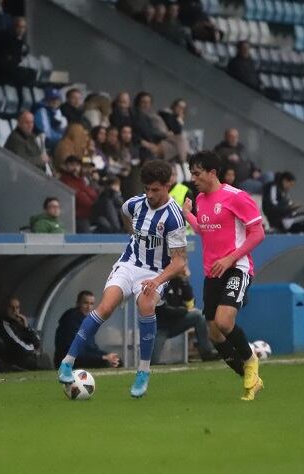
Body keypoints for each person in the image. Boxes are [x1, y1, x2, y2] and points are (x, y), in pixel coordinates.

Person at [57, 160, 188, 398]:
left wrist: (157, 281)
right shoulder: (136, 203)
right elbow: (124, 212)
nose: (149, 194)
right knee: (105, 307)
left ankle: (143, 371)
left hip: (155, 272)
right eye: (146, 188)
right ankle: (67, 362)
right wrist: (132, 233)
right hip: (129, 264)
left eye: (155, 189)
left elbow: (179, 262)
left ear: (167, 185)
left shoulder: (174, 217)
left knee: (146, 305)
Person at [182, 151, 265, 400]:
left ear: (212, 173)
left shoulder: (237, 197)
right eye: (191, 174)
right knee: (215, 333)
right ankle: (251, 380)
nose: (193, 179)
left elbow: (258, 233)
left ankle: (251, 363)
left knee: (224, 322)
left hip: (236, 267)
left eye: (197, 173)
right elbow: (205, 231)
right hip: (212, 272)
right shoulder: (200, 199)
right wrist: (189, 215)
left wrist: (230, 257)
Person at [153, 273, 218, 364]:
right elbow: (163, 310)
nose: (184, 268)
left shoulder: (181, 282)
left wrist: (185, 282)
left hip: (176, 324)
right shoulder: (161, 282)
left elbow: (190, 303)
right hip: (159, 328)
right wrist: (184, 310)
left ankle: (207, 352)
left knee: (199, 316)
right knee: (153, 362)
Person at [54, 291, 121, 369]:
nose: (89, 307)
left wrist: (107, 355)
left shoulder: (88, 321)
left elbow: (92, 348)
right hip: (70, 360)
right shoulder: (71, 320)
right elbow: (75, 350)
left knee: (117, 361)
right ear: (78, 304)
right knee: (105, 362)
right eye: (86, 303)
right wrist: (102, 357)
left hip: (82, 358)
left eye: (91, 304)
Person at [0, 297, 41, 371]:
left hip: (26, 356)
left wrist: (27, 328)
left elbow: (38, 342)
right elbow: (18, 345)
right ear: (6, 308)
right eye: (12, 307)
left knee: (45, 361)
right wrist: (32, 349)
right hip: (14, 360)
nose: (15, 311)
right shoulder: (3, 324)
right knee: (41, 365)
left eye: (17, 307)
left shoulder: (20, 322)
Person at [59, 156, 98, 233]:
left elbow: (94, 195)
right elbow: (80, 197)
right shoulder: (64, 180)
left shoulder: (81, 180)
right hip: (76, 216)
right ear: (66, 166)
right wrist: (86, 194)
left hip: (88, 213)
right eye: (72, 165)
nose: (75, 167)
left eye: (77, 165)